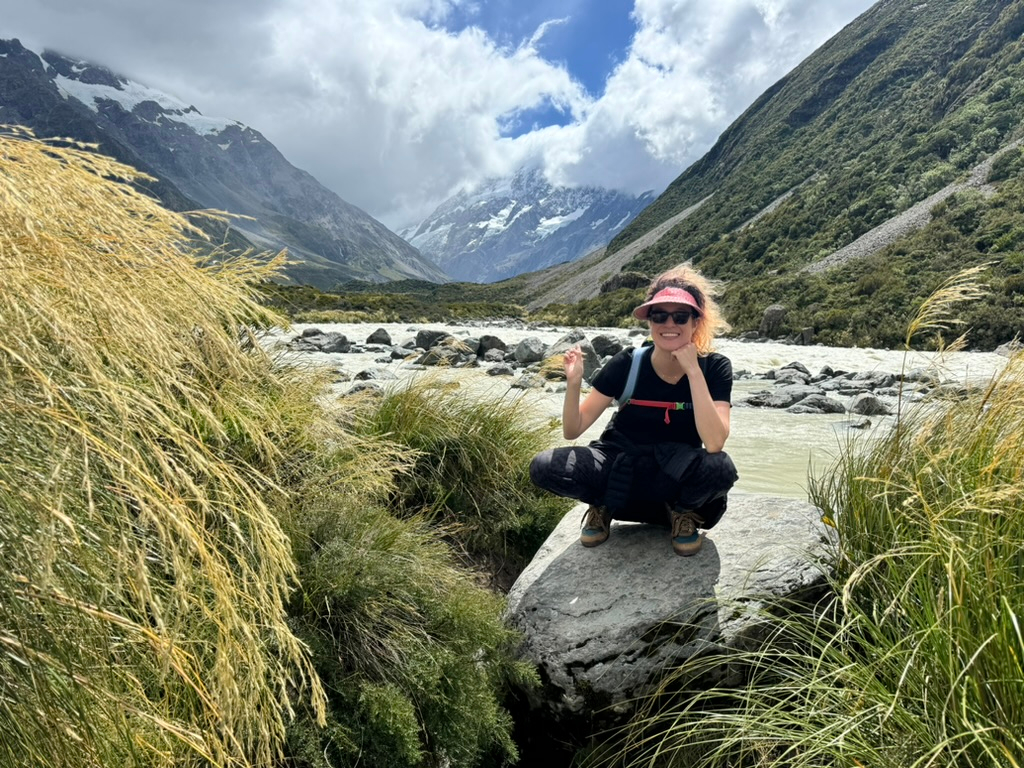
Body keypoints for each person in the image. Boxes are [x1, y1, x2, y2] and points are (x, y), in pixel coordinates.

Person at [529, 263, 738, 556]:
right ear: (649, 321)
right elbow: (572, 430)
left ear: (695, 322)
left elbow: (715, 442)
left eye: (680, 316)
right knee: (544, 465)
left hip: (673, 472)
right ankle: (603, 505)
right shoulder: (627, 363)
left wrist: (693, 372)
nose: (669, 324)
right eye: (659, 315)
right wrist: (574, 382)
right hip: (619, 463)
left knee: (721, 469)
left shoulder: (714, 367)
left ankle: (683, 513)